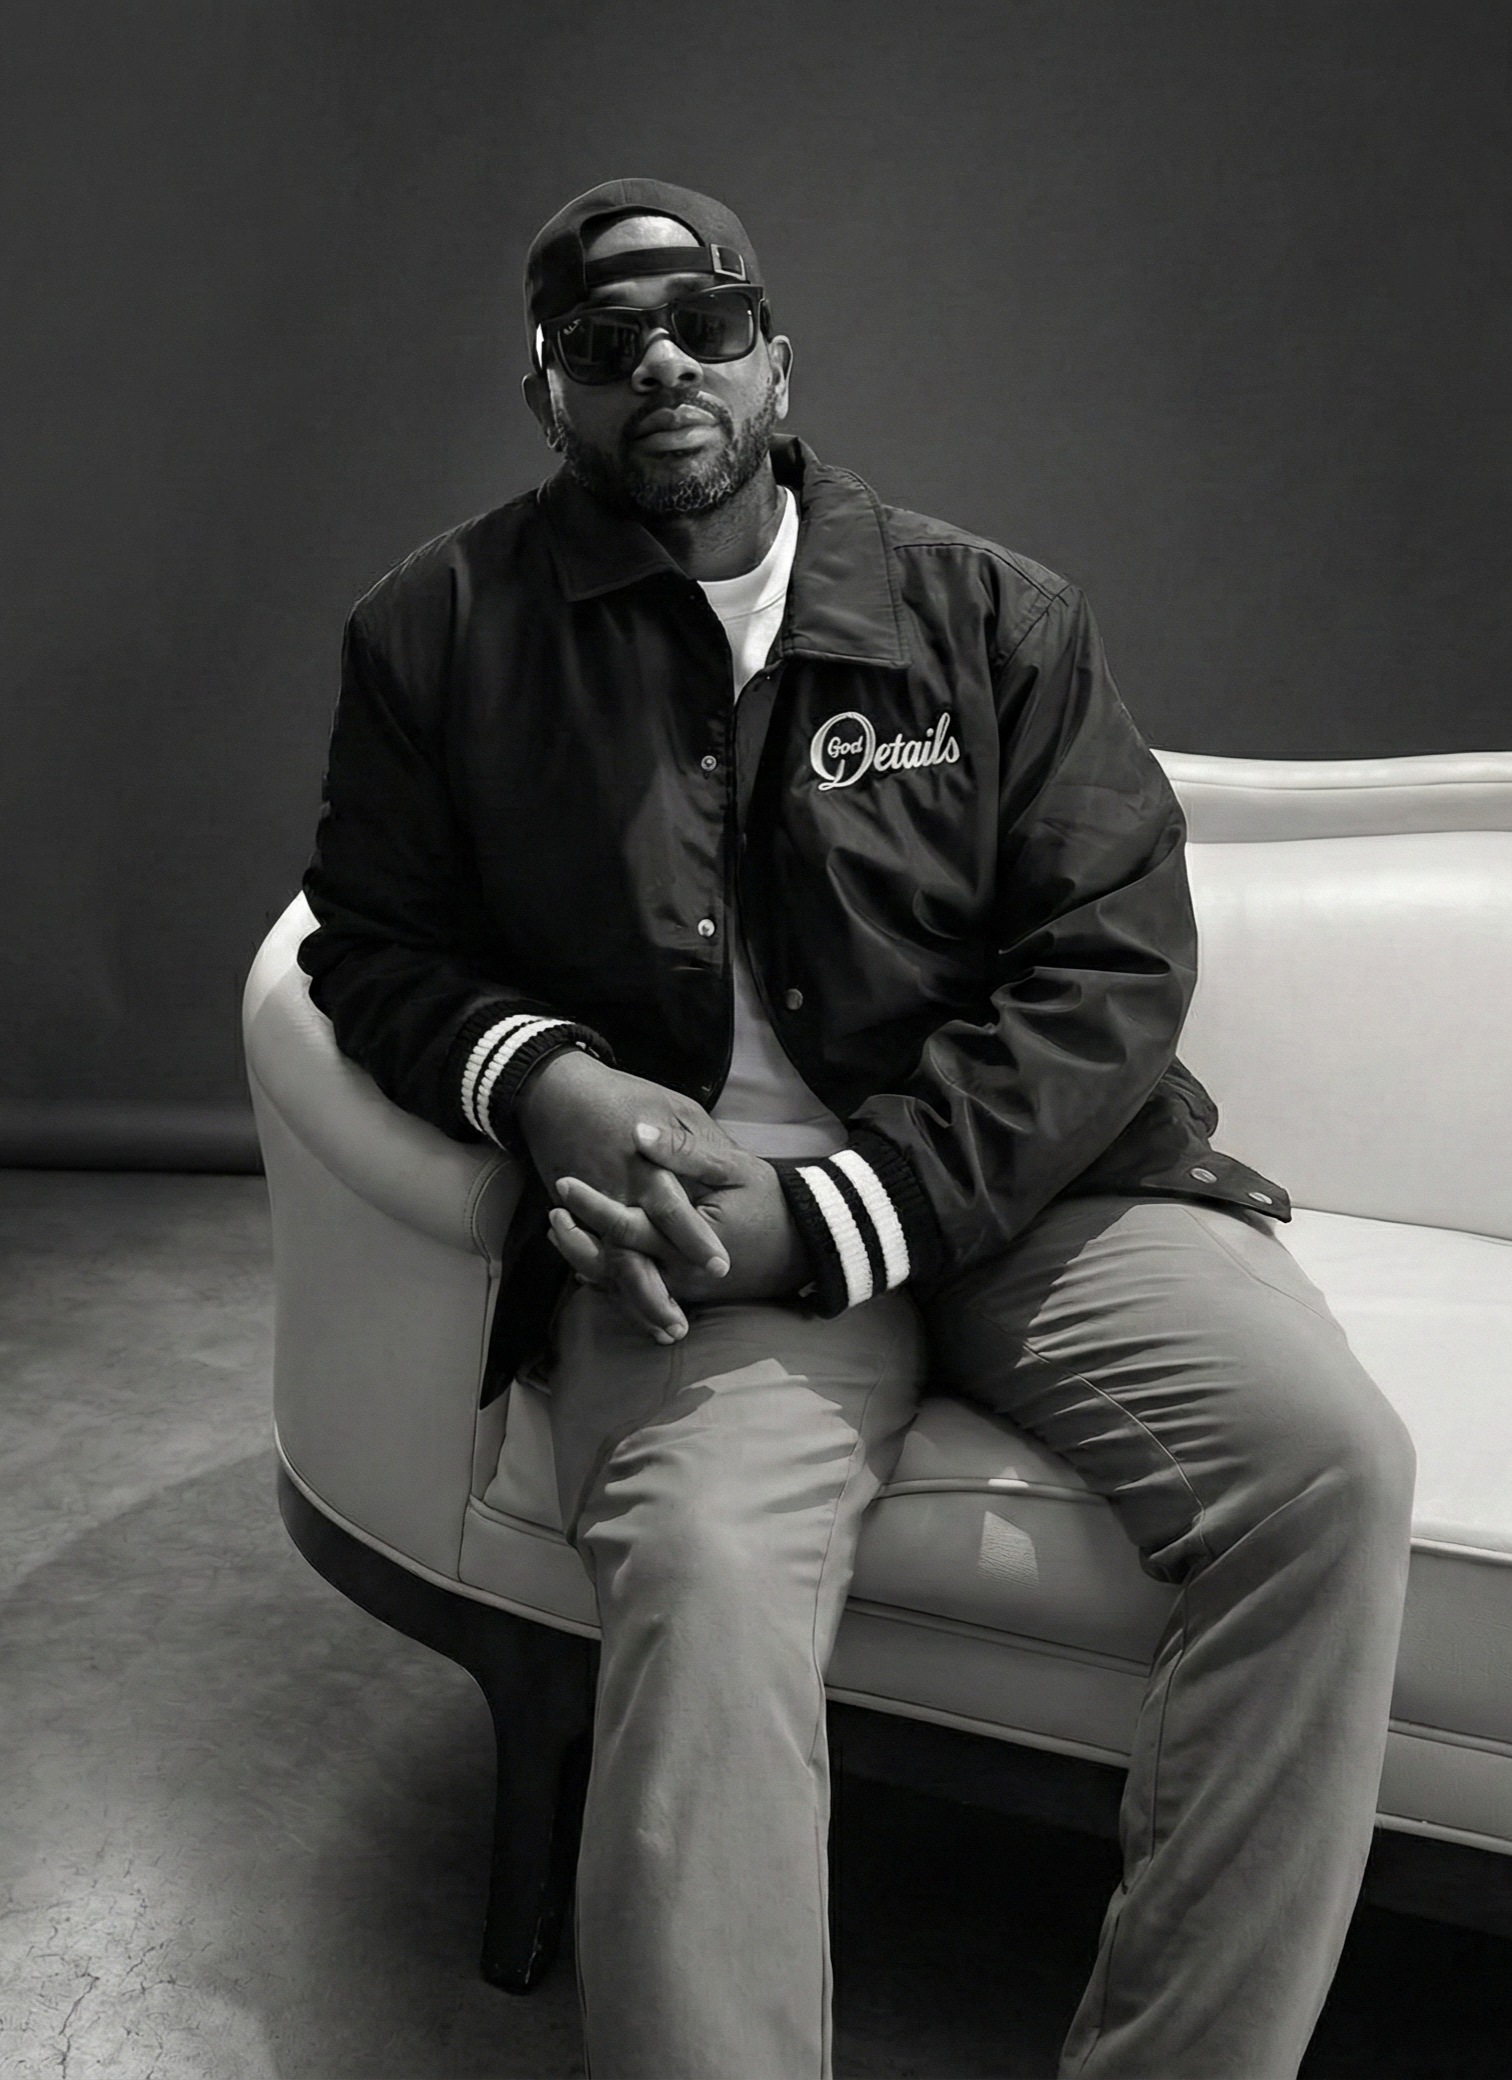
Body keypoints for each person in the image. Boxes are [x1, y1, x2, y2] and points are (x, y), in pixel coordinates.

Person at [300, 178, 1416, 2080]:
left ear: (776, 357)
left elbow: (1109, 964)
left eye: (705, 324)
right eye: (601, 341)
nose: (661, 363)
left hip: (1032, 1194)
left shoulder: (989, 617)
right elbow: (376, 945)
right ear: (543, 391)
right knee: (711, 1582)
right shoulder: (440, 630)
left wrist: (835, 1216)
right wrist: (550, 1083)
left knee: (1329, 1473)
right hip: (688, 1256)